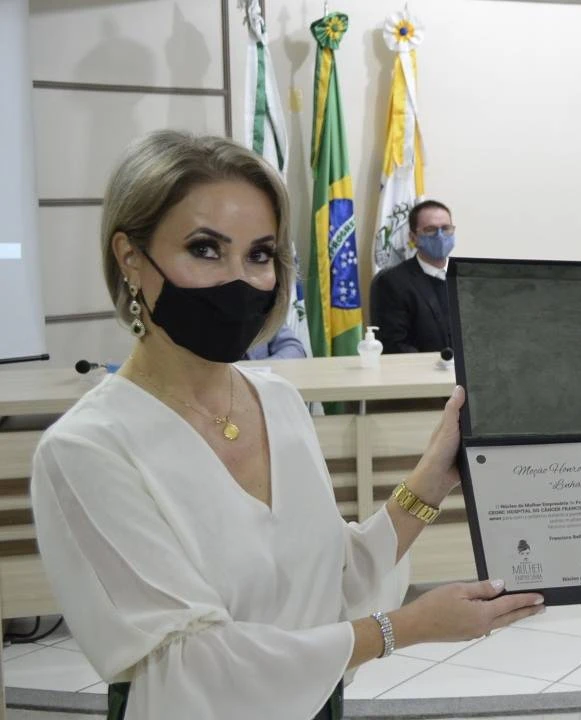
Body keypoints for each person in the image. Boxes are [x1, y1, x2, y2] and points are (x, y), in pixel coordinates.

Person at [30, 132, 544, 720]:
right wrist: (404, 628)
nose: (239, 279)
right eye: (205, 249)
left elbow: (336, 580)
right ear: (130, 257)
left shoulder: (277, 401)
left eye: (259, 255)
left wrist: (433, 477)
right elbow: (193, 664)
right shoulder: (87, 447)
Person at [370, 200, 456, 354]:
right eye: (430, 230)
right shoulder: (392, 282)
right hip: (424, 368)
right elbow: (394, 345)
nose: (440, 236)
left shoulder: (467, 277)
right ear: (413, 237)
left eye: (446, 228)